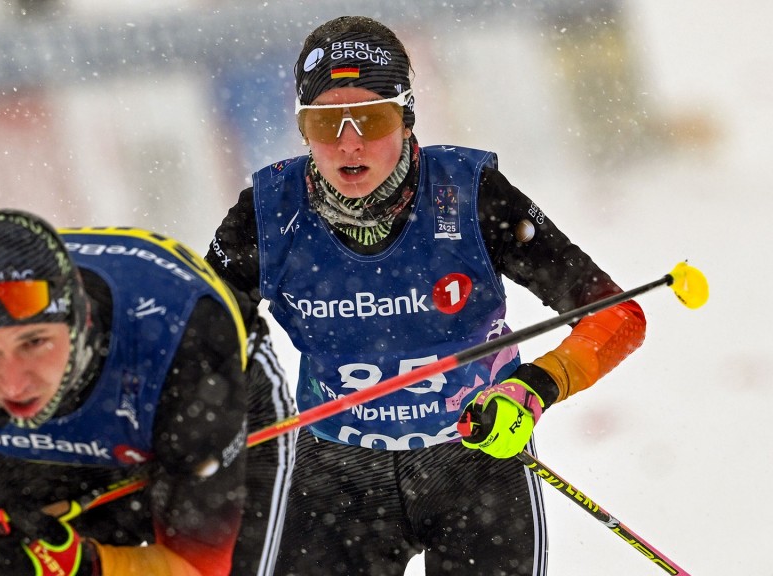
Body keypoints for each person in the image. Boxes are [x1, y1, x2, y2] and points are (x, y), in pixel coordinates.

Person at [205, 15, 647, 576]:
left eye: (370, 117)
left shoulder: (470, 194)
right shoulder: (269, 213)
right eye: (324, 124)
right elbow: (198, 342)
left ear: (407, 116)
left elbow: (618, 315)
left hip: (474, 461)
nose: (349, 143)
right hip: (336, 476)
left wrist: (536, 387)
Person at [0, 209, 295, 576]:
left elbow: (196, 566)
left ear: (80, 326)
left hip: (198, 389)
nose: (13, 382)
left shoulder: (186, 348)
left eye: (35, 343)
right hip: (84, 408)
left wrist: (82, 563)